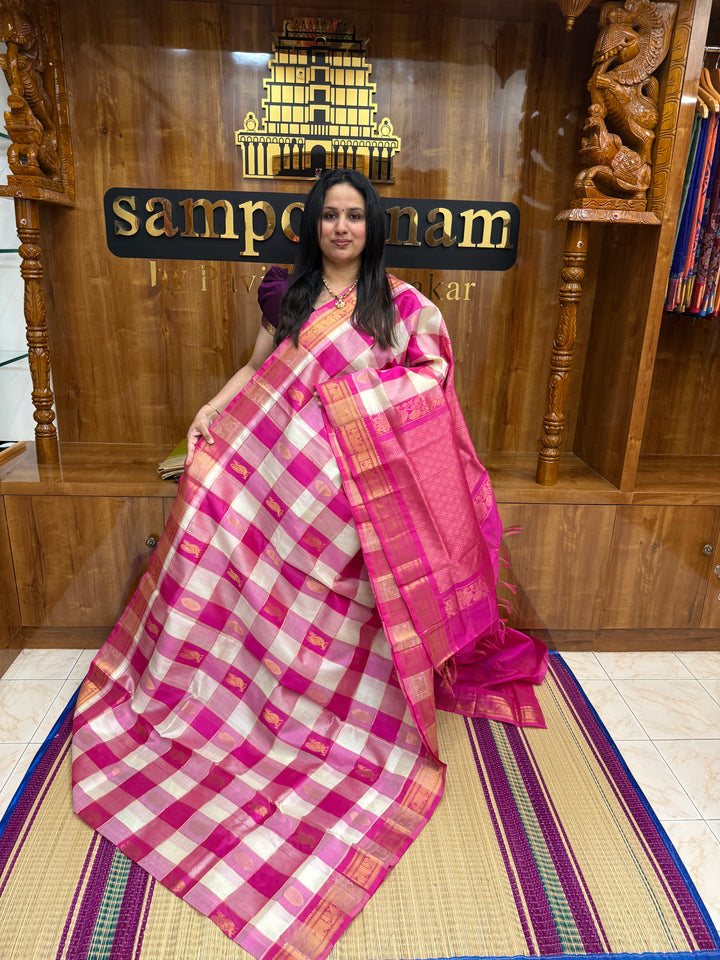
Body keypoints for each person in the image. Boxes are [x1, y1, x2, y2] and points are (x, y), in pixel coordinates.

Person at [72, 169, 548, 960]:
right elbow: (260, 370)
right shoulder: (284, 293)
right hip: (280, 477)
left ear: (371, 226)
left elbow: (429, 381)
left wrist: (357, 414)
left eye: (353, 216)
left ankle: (341, 707)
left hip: (355, 492)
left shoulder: (396, 306)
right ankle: (252, 690)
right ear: (313, 225)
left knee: (351, 587)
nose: (340, 227)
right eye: (329, 215)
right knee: (215, 503)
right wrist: (212, 410)